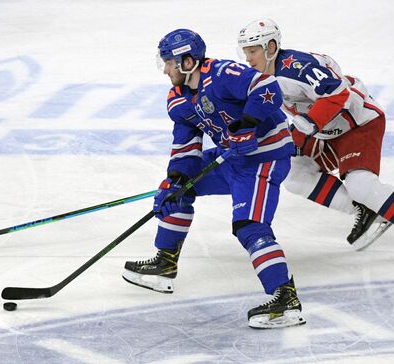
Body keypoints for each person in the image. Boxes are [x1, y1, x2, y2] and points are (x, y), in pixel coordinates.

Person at [122, 28, 305, 329]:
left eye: (169, 62)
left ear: (188, 61)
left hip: (263, 159)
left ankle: (285, 298)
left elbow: (266, 87)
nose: (166, 69)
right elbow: (186, 144)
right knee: (176, 192)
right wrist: (176, 179)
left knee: (250, 228)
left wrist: (248, 124)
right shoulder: (178, 98)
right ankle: (164, 264)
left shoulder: (221, 73)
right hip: (230, 160)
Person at [236, 19, 394, 260]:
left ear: (271, 47)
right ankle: (365, 211)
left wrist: (313, 122)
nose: (248, 58)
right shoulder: (265, 75)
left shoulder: (297, 68)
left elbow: (338, 93)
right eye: (246, 52)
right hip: (323, 130)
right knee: (294, 175)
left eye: (252, 51)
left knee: (360, 185)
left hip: (357, 121)